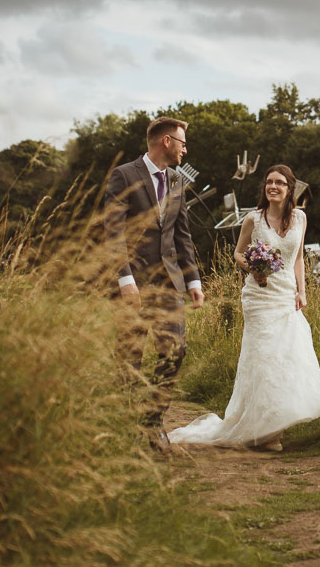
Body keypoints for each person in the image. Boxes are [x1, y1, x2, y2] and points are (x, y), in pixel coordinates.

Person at [168, 163, 320, 451]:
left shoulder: (300, 219)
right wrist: (254, 266)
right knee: (264, 357)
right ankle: (268, 434)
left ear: (290, 188)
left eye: (280, 182)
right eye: (269, 182)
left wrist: (302, 291)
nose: (273, 187)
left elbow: (298, 259)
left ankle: (272, 425)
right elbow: (238, 253)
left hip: (286, 295)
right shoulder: (253, 220)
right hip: (259, 297)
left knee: (287, 356)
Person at [102, 116, 204, 452]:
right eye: (182, 142)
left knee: (176, 350)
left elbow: (181, 233)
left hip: (169, 284)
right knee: (129, 356)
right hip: (132, 286)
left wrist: (192, 278)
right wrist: (125, 278)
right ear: (165, 142)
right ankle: (125, 427)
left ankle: (152, 422)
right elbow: (113, 230)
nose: (185, 149)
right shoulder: (125, 175)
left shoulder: (176, 180)